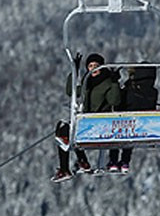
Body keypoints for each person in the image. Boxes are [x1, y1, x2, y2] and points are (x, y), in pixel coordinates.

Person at [52, 53, 121, 182]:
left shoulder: (107, 82)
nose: (94, 69)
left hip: (100, 123)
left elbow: (114, 101)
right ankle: (74, 165)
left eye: (96, 66)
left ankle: (77, 163)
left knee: (66, 132)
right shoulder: (87, 82)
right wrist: (75, 71)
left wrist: (114, 82)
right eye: (90, 66)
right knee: (62, 131)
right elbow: (70, 91)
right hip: (87, 122)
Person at [116, 66, 160, 174]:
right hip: (144, 126)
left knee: (118, 133)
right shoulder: (152, 91)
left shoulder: (130, 89)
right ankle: (125, 161)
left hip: (126, 121)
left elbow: (121, 103)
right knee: (130, 139)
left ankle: (114, 160)